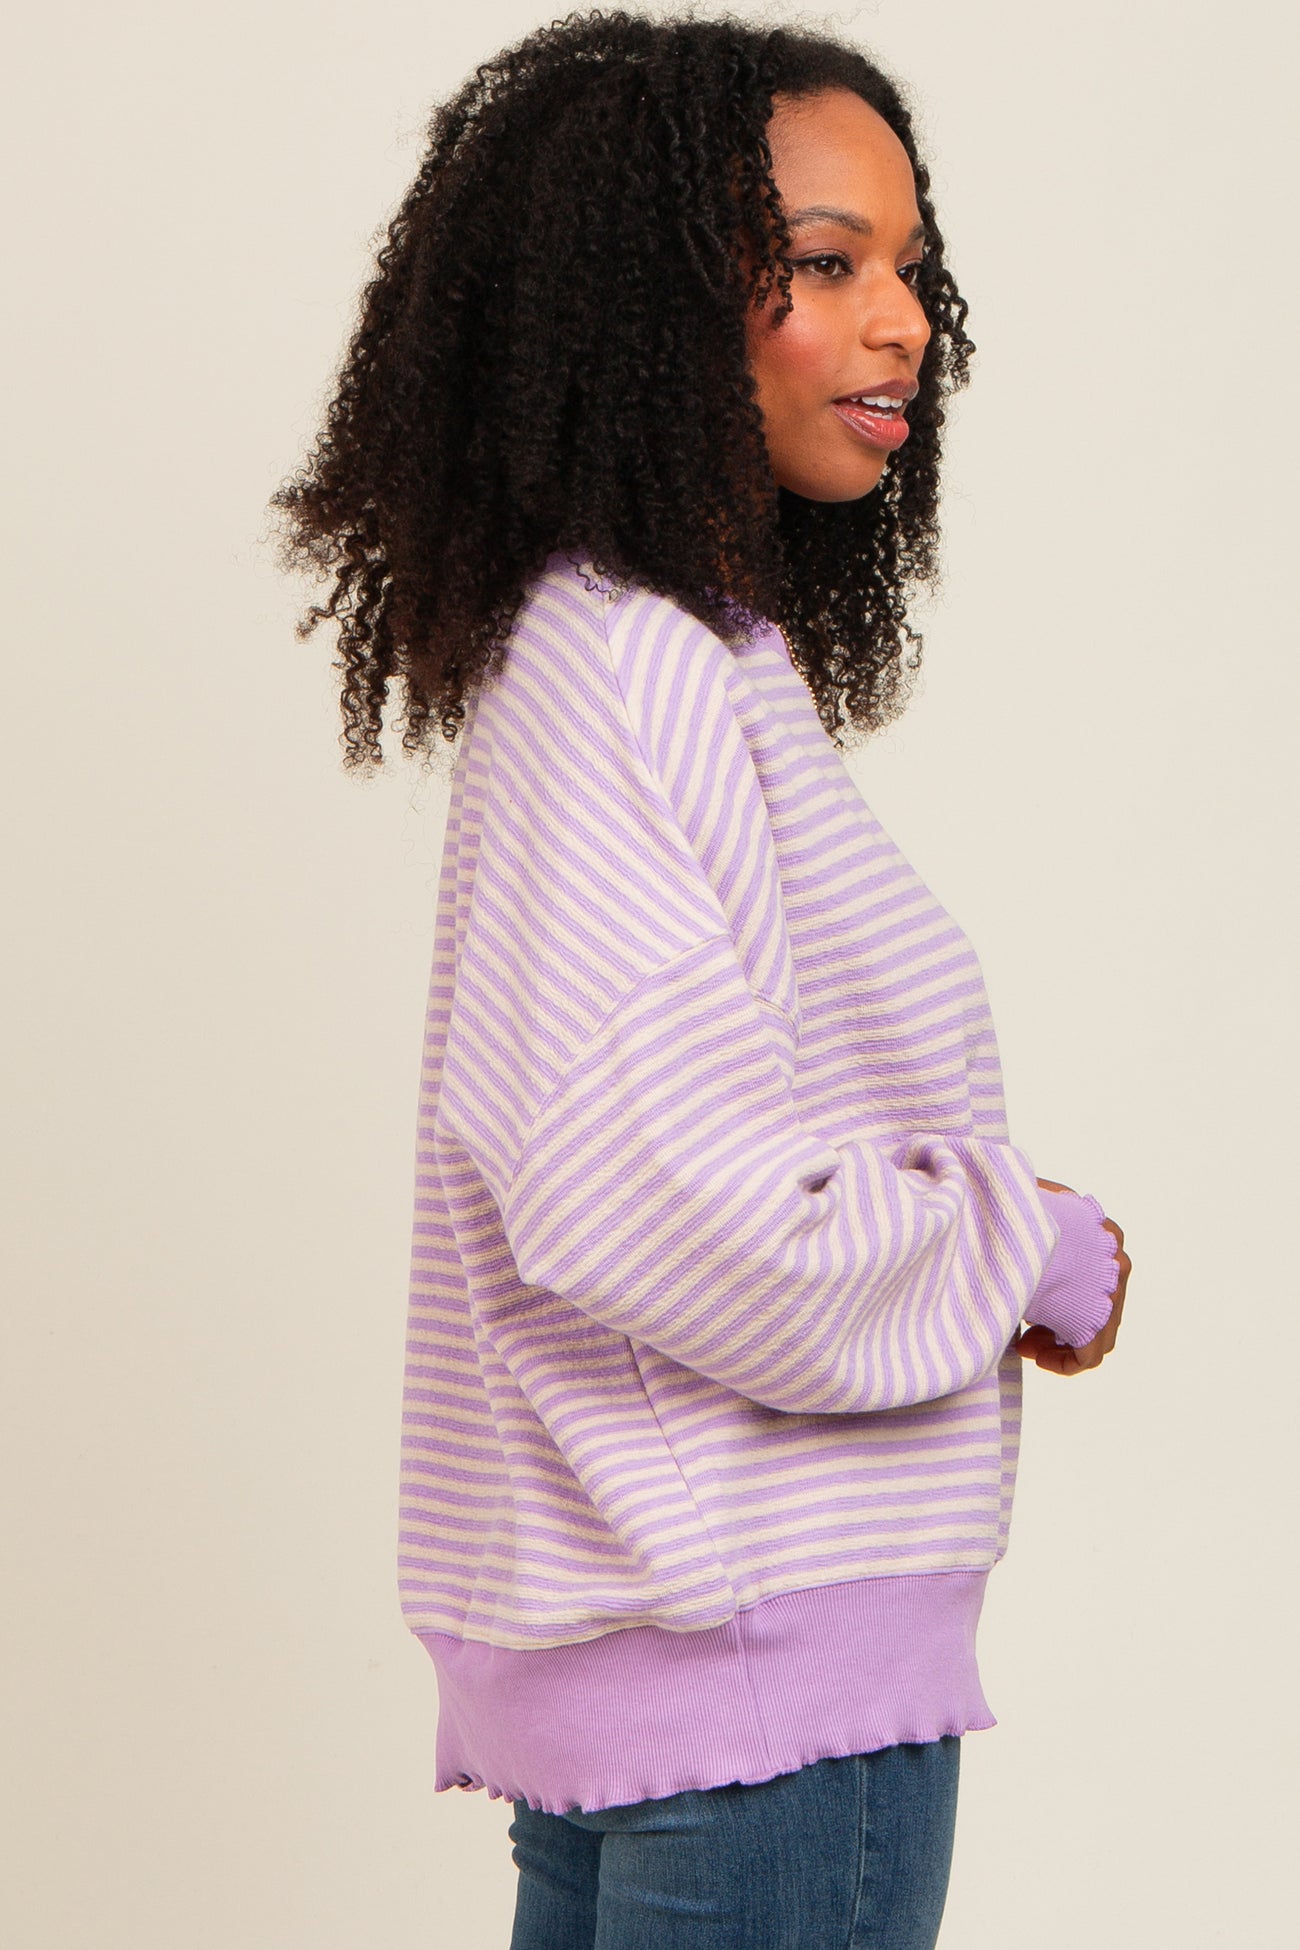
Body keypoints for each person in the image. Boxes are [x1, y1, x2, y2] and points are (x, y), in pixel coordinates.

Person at [270, 11, 1131, 1946]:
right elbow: (669, 1198)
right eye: (825, 263)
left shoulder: (662, 650)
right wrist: (1024, 1241)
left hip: (685, 1680)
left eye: (911, 267)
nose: (901, 322)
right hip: (762, 1703)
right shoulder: (630, 662)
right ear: (651, 306)